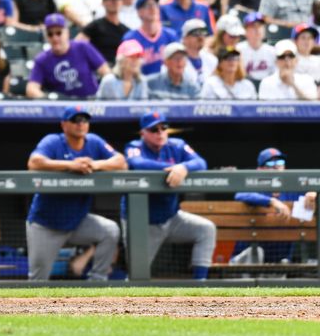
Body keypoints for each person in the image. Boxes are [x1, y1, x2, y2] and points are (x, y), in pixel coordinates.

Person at [25, 106, 126, 281]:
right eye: (75, 120)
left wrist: (95, 165)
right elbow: (34, 162)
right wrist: (71, 165)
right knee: (37, 280)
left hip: (78, 221)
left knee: (110, 230)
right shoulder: (53, 141)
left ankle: (97, 280)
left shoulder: (93, 141)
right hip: (46, 223)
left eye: (84, 120)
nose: (81, 124)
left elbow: (121, 161)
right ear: (64, 124)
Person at [124, 112, 217, 280]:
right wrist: (170, 167)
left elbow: (200, 162)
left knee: (206, 229)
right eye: (154, 129)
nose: (160, 133)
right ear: (143, 133)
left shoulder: (177, 145)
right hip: (142, 223)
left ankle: (200, 284)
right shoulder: (134, 146)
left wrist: (183, 168)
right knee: (136, 274)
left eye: (163, 128)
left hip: (171, 218)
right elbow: (138, 163)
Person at [233, 148, 317, 263]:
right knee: (257, 252)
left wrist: (313, 193)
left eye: (280, 163)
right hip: (249, 255)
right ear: (260, 169)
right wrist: (272, 201)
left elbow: (311, 190)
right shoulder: (255, 187)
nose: (277, 166)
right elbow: (240, 195)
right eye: (270, 163)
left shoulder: (292, 189)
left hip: (280, 258)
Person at [26, 13, 109, 99]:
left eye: (59, 33)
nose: (55, 38)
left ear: (67, 33)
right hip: (61, 107)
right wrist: (50, 100)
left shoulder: (83, 47)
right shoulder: (42, 60)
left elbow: (105, 71)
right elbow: (31, 89)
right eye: (50, 34)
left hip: (91, 102)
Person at [122, 0, 180, 75]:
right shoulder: (131, 39)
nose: (152, 8)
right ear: (139, 12)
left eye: (155, 5)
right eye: (147, 6)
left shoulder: (170, 35)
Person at [77, 0, 129, 65]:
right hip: (99, 69)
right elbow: (77, 46)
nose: (114, 1)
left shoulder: (126, 30)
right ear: (103, 2)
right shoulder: (95, 26)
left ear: (122, 2)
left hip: (120, 68)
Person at [238, 12, 277, 82]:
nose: (257, 29)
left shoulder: (272, 51)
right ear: (245, 30)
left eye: (260, 26)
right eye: (253, 26)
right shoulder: (238, 50)